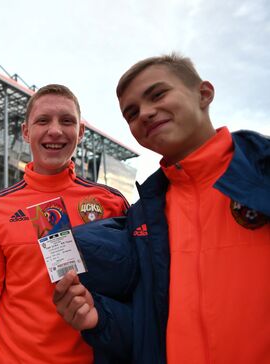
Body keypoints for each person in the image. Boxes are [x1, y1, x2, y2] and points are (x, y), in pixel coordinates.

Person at [54, 54, 270, 363]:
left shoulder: (262, 170)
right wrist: (97, 318)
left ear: (204, 94)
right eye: (131, 113)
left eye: (157, 95)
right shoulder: (144, 217)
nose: (145, 113)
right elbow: (148, 333)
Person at [0, 84, 130, 363]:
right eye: (43, 120)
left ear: (80, 133)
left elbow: (131, 293)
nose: (55, 130)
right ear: (25, 132)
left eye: (66, 121)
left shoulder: (110, 202)